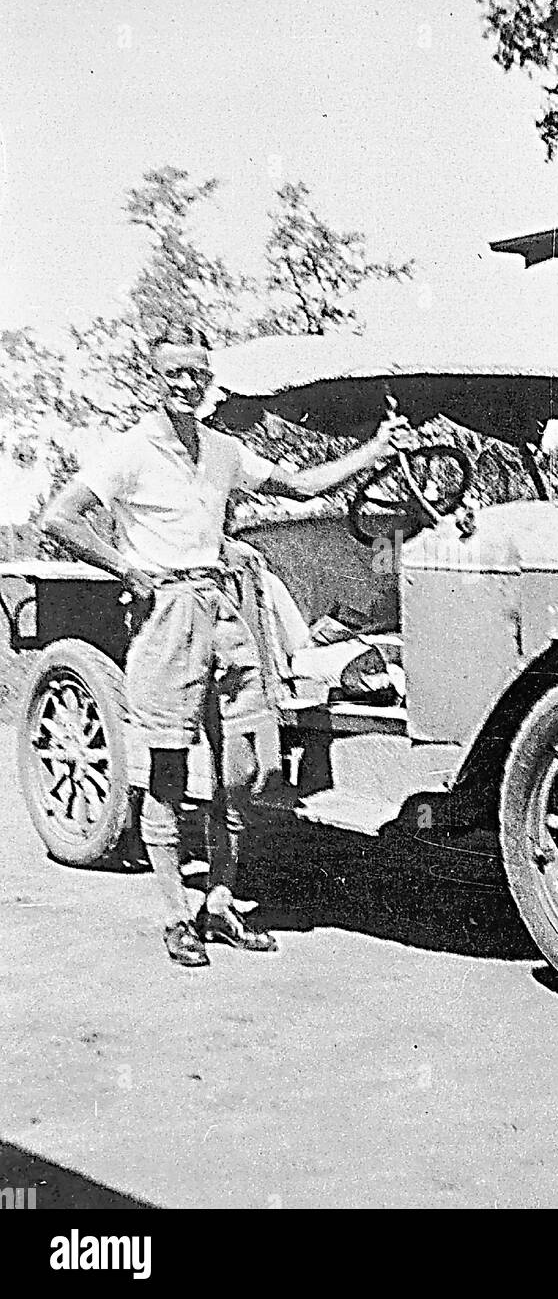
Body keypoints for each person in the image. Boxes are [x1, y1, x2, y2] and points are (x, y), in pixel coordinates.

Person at [41, 325, 411, 967]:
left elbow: (298, 486)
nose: (186, 385)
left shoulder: (222, 450)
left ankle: (219, 904)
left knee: (244, 770)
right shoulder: (131, 450)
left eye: (196, 374)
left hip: (226, 607)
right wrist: (127, 570)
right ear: (154, 378)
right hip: (167, 613)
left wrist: (376, 449)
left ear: (208, 380)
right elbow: (59, 518)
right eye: (172, 374)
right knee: (166, 771)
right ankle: (175, 917)